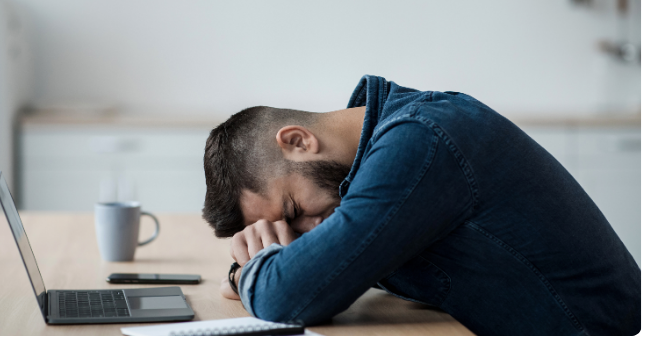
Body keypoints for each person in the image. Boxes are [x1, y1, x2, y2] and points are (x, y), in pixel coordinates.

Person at [202, 74, 641, 336]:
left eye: (296, 213)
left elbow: (289, 297)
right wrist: (264, 266)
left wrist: (253, 271)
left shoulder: (420, 142)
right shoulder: (388, 141)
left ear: (298, 142)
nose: (309, 231)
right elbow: (320, 273)